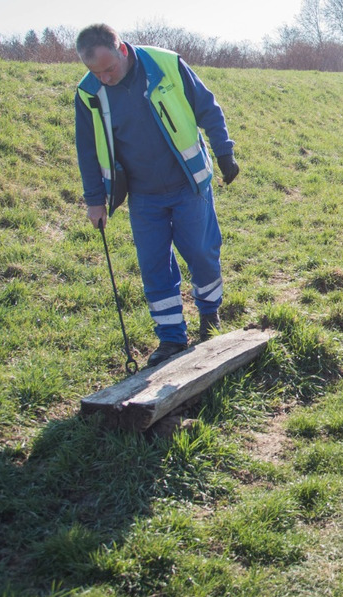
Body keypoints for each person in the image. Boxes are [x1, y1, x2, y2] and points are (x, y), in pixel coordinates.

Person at [74, 24, 239, 367]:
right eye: (96, 72)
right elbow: (87, 150)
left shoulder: (165, 64)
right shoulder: (89, 93)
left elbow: (207, 107)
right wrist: (95, 200)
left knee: (201, 252)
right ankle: (171, 337)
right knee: (153, 265)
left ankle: (210, 315)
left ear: (122, 50)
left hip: (188, 184)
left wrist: (224, 153)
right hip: (143, 195)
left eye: (109, 69)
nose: (104, 78)